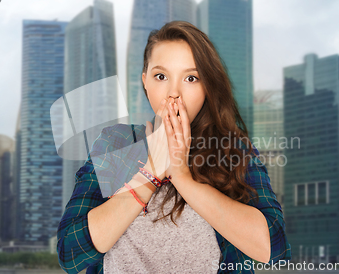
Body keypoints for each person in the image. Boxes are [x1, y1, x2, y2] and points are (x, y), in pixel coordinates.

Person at [57, 21, 291, 274]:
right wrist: (151, 172)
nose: (174, 93)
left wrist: (182, 176)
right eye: (161, 76)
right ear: (145, 81)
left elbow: (273, 248)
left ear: (207, 87)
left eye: (191, 78)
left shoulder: (234, 149)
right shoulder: (116, 142)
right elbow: (70, 254)